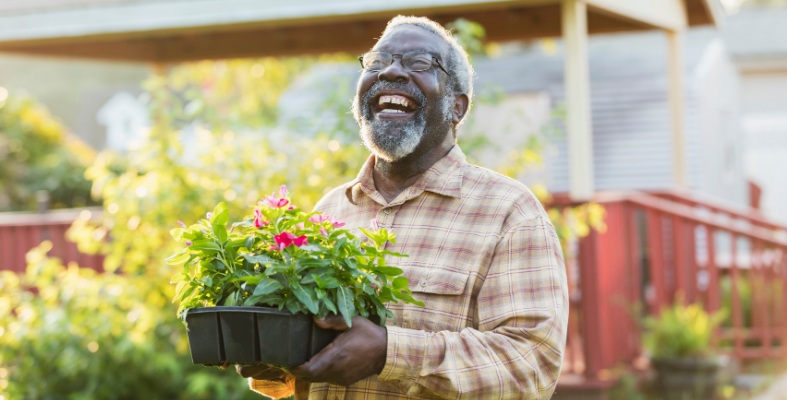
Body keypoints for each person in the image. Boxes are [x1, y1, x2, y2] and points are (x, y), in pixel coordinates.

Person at [235, 15, 568, 400]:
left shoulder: (510, 212)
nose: (391, 71)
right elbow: (298, 373)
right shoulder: (329, 211)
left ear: (457, 108)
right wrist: (271, 359)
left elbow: (530, 365)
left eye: (420, 64)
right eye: (377, 62)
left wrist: (388, 353)